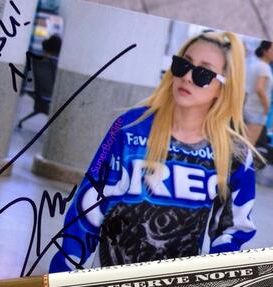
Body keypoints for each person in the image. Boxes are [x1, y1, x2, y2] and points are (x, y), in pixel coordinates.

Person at [49, 31, 257, 273]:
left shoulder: (235, 154)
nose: (187, 77)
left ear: (223, 88)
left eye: (203, 73)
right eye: (183, 65)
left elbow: (232, 230)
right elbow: (88, 207)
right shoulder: (129, 127)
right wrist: (62, 275)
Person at [244, 40, 273, 145]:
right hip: (257, 110)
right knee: (248, 144)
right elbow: (259, 88)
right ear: (265, 51)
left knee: (244, 142)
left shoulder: (254, 64)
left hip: (248, 107)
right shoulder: (264, 67)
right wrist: (267, 106)